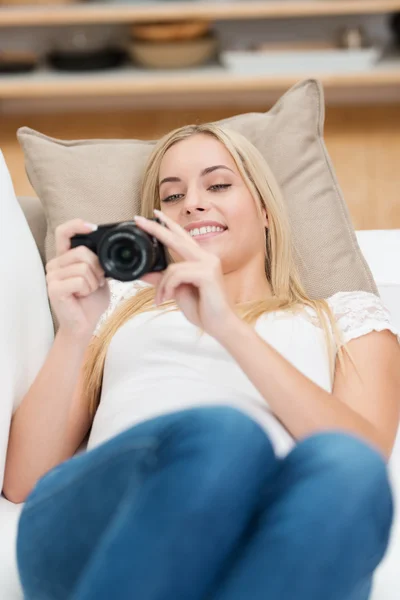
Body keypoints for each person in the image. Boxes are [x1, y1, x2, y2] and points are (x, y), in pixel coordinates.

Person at [5, 124, 400, 600]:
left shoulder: (343, 318)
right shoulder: (118, 308)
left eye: (217, 185)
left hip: (268, 544)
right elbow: (24, 480)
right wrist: (73, 330)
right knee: (226, 435)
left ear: (265, 209)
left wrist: (227, 327)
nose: (192, 203)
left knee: (348, 465)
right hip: (103, 526)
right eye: (171, 197)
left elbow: (365, 461)